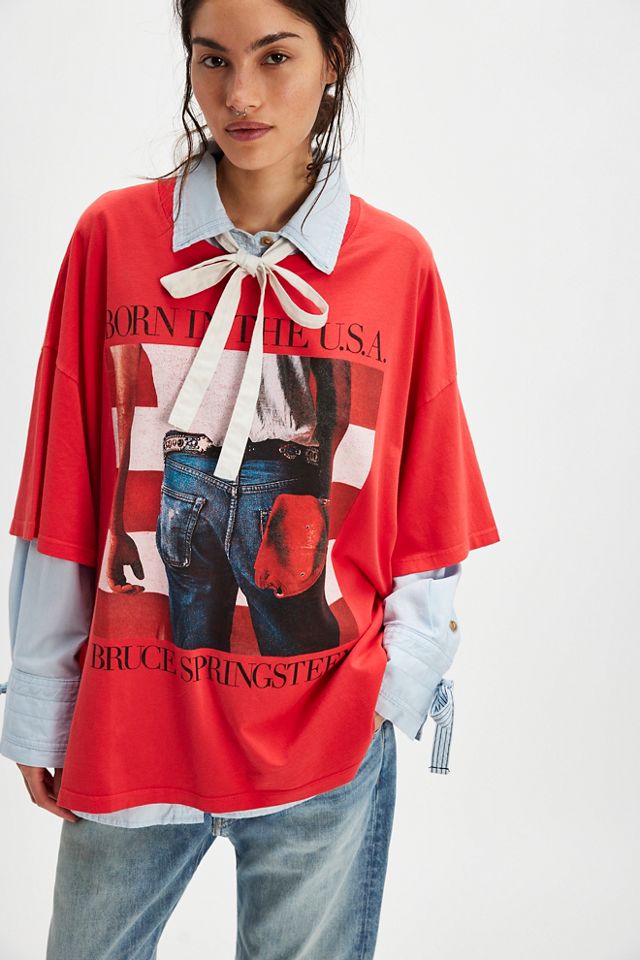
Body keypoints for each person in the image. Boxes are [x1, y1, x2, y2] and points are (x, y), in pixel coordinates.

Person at [0, 0, 500, 957]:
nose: (240, 94)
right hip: (134, 720)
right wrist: (41, 699)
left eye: (275, 57)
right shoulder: (113, 238)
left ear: (333, 59)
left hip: (326, 729)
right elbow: (64, 483)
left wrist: (396, 686)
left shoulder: (396, 264)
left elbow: (426, 496)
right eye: (212, 59)